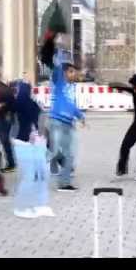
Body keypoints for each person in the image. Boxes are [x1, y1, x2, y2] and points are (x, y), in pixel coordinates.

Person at [47, 48, 86, 192]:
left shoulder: (71, 88)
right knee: (56, 151)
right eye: (70, 71)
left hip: (68, 124)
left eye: (74, 71)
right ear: (64, 73)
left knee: (69, 154)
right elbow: (57, 68)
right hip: (57, 122)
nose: (74, 74)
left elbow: (72, 105)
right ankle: (47, 162)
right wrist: (59, 56)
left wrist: (81, 116)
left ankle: (64, 183)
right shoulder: (59, 85)